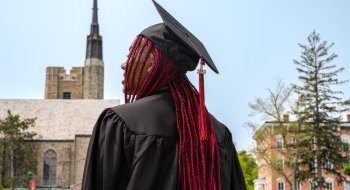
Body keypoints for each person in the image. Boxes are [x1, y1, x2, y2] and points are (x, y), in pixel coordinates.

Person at [82, 1, 247, 189]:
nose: (124, 65)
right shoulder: (218, 134)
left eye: (131, 56)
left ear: (152, 63)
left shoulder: (119, 122)